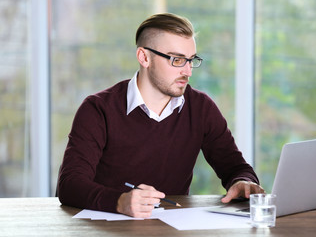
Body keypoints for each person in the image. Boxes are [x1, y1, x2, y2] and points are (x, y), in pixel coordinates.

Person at [57, 13, 264, 218]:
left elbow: (235, 167)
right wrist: (119, 202)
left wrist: (242, 182)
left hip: (173, 227)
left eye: (191, 60)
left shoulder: (201, 108)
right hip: (105, 228)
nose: (188, 71)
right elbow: (70, 184)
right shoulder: (98, 109)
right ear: (144, 57)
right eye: (177, 60)